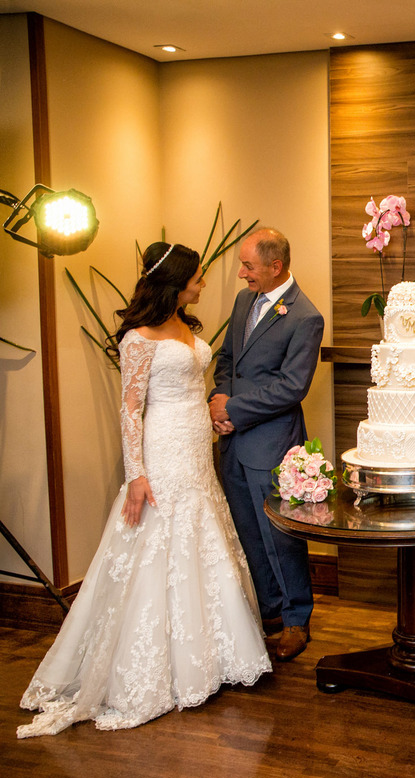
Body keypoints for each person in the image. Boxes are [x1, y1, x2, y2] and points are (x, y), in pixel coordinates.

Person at [17, 243, 271, 739]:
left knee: (200, 534)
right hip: (162, 449)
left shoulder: (186, 328)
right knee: (159, 539)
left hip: (196, 443)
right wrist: (137, 475)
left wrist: (213, 417)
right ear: (176, 282)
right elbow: (130, 408)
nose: (202, 285)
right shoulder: (138, 338)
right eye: (197, 278)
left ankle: (210, 656)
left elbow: (193, 388)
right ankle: (155, 668)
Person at [208, 228, 324, 661]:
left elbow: (292, 387)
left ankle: (297, 620)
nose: (241, 274)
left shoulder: (305, 317)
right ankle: (270, 611)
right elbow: (225, 362)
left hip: (272, 445)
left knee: (281, 536)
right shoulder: (243, 303)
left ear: (276, 267)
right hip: (233, 444)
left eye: (248, 266)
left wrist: (233, 409)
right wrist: (219, 404)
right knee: (249, 533)